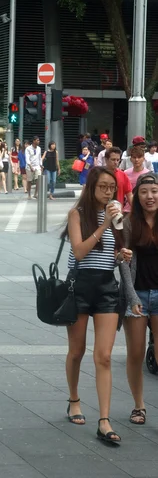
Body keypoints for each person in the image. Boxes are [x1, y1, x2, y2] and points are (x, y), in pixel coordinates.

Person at [62, 166, 133, 444]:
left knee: (103, 356)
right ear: (91, 187)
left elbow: (110, 256)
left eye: (111, 188)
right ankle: (74, 399)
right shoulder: (77, 215)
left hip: (106, 287)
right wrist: (104, 224)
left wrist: (121, 255)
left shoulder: (117, 217)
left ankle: (104, 420)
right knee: (77, 351)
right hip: (79, 285)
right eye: (103, 187)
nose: (108, 192)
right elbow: (79, 251)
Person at [121, 173, 158, 426]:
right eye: (144, 192)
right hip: (137, 295)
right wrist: (132, 295)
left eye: (154, 191)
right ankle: (139, 406)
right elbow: (123, 263)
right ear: (137, 196)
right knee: (135, 354)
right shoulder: (129, 223)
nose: (150, 197)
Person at [123, 146, 150, 213]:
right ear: (131, 159)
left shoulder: (148, 174)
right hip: (126, 209)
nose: (136, 160)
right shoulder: (125, 173)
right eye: (134, 157)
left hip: (143, 209)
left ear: (143, 159)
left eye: (139, 157)